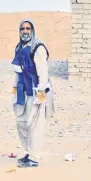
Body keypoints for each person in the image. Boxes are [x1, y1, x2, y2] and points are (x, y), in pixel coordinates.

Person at [11, 19, 55, 168]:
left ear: (32, 30)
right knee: (21, 121)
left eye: (28, 29)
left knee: (36, 124)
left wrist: (41, 94)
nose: (25, 31)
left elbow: (43, 72)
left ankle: (34, 157)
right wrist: (14, 91)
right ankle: (29, 151)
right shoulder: (19, 48)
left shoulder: (38, 48)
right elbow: (17, 72)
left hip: (36, 92)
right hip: (22, 91)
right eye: (22, 28)